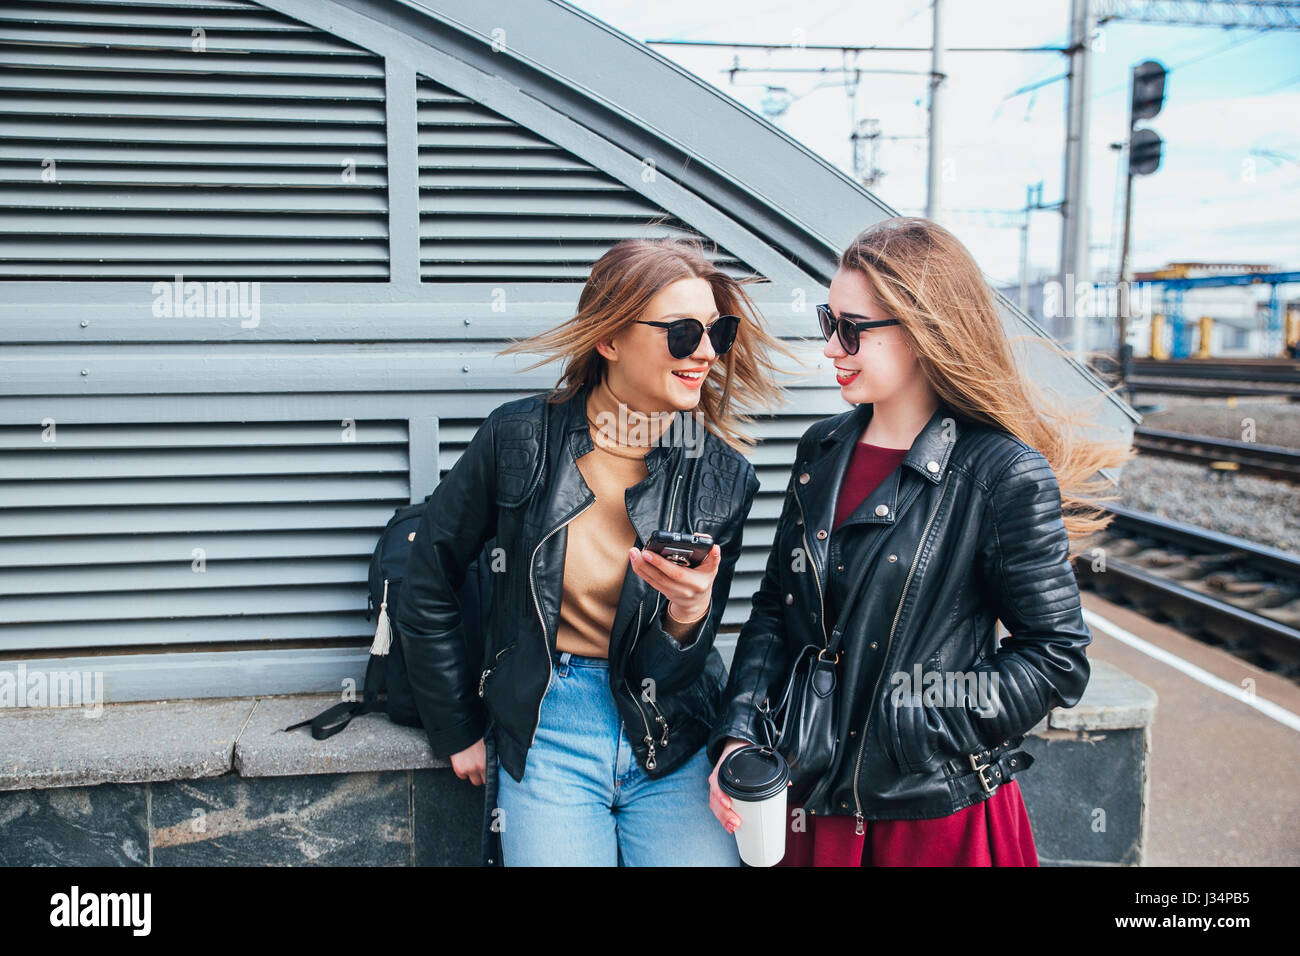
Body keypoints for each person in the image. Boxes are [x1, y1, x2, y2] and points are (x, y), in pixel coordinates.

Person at [706, 216, 1135, 866]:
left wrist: (912, 725)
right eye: (829, 322)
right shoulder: (821, 448)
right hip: (808, 798)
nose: (831, 348)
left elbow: (1055, 657)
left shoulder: (1001, 473)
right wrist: (740, 736)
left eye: (851, 330)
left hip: (930, 820)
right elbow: (774, 610)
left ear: (922, 332)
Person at [396, 236, 796, 866]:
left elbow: (680, 665)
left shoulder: (723, 478)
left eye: (718, 334)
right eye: (683, 331)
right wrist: (455, 724)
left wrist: (689, 617)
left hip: (671, 729)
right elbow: (426, 575)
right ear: (609, 340)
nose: (704, 355)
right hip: (549, 723)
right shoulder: (519, 438)